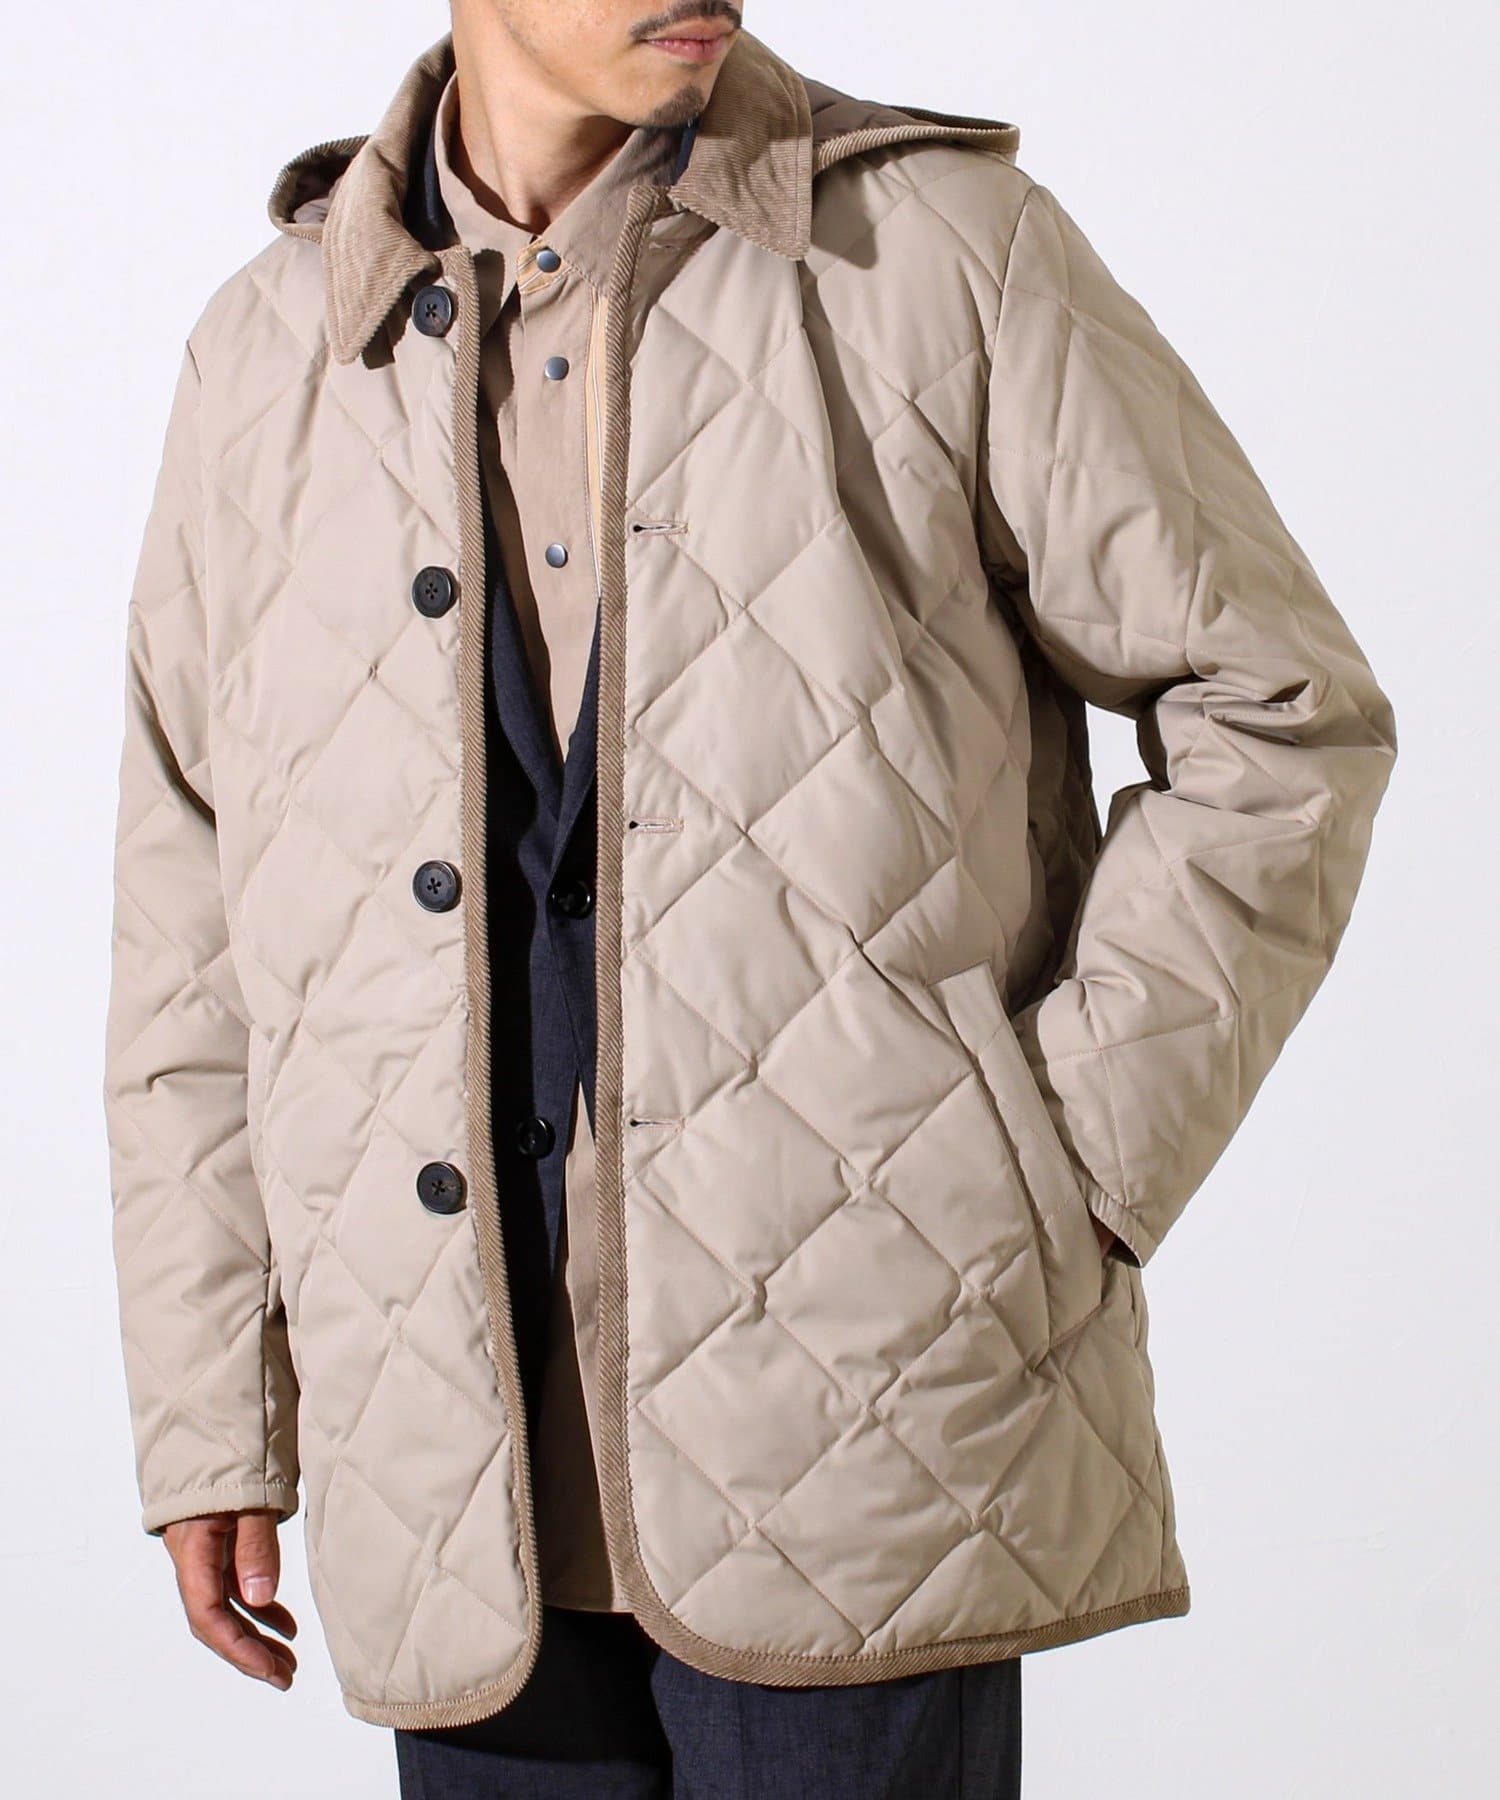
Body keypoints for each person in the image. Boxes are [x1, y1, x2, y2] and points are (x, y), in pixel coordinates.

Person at [101, 3, 1398, 1794]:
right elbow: (188, 914)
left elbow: (1282, 716)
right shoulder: (267, 352)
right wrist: (212, 1409)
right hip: (443, 1454)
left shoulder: (935, 250)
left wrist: (1051, 1175)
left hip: (867, 1419)